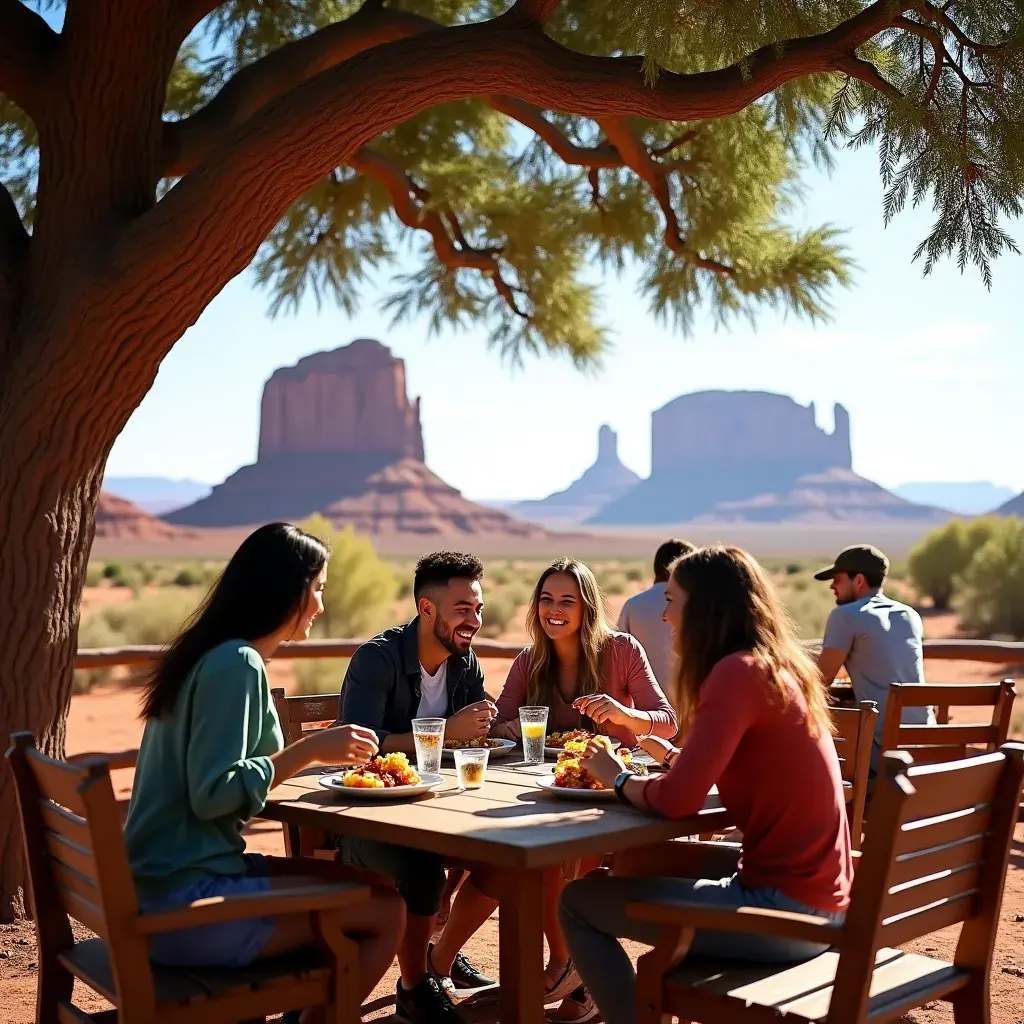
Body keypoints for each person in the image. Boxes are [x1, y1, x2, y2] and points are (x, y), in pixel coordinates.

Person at [558, 546, 853, 1024]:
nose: (665, 616)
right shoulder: (774, 668)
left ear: (705, 608)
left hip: (785, 914)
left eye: (672, 601)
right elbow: (737, 773)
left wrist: (618, 778)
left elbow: (677, 800)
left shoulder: (735, 673)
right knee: (632, 864)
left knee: (576, 902)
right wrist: (668, 756)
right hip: (819, 900)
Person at [124, 523, 402, 1017]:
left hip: (166, 884)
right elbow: (213, 794)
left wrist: (311, 750)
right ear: (288, 591)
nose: (321, 605)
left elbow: (230, 767)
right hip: (184, 905)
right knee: (386, 912)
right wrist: (311, 749)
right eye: (318, 589)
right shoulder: (237, 664)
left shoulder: (211, 653)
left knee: (376, 886)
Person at [431, 557, 677, 1022]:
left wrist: (625, 715)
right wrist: (502, 725)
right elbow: (502, 722)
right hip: (546, 792)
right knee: (510, 854)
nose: (554, 610)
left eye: (567, 600)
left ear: (587, 608)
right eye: (546, 599)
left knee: (554, 852)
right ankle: (568, 979)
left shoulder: (621, 650)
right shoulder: (531, 660)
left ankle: (567, 968)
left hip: (609, 795)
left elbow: (667, 722)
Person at [338, 551, 496, 1023]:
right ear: (427, 609)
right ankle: (414, 989)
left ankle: (440, 955)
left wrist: (493, 727)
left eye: (478, 609)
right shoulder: (378, 659)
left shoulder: (464, 663)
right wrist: (448, 731)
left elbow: (475, 736)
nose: (474, 620)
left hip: (439, 811)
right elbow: (357, 746)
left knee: (507, 856)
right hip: (367, 822)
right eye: (463, 609)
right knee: (423, 867)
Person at [814, 543, 933, 762]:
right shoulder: (909, 615)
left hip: (882, 754)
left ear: (859, 580)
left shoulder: (846, 615)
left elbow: (819, 683)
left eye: (837, 579)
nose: (832, 586)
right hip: (926, 746)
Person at [617, 538, 694, 693]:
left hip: (643, 701)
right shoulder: (695, 604)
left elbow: (618, 657)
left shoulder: (633, 605)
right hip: (689, 698)